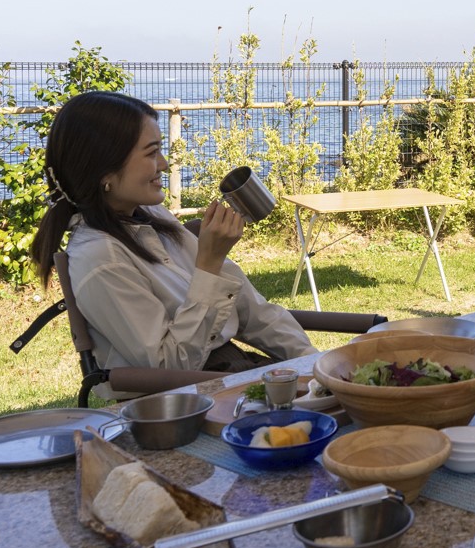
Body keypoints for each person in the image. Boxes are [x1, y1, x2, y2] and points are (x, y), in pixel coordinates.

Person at [31, 91, 315, 398]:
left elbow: (251, 311)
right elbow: (169, 366)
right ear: (105, 172)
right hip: (184, 404)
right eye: (152, 153)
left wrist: (315, 364)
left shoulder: (151, 216)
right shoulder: (100, 258)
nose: (164, 165)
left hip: (234, 376)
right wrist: (209, 265)